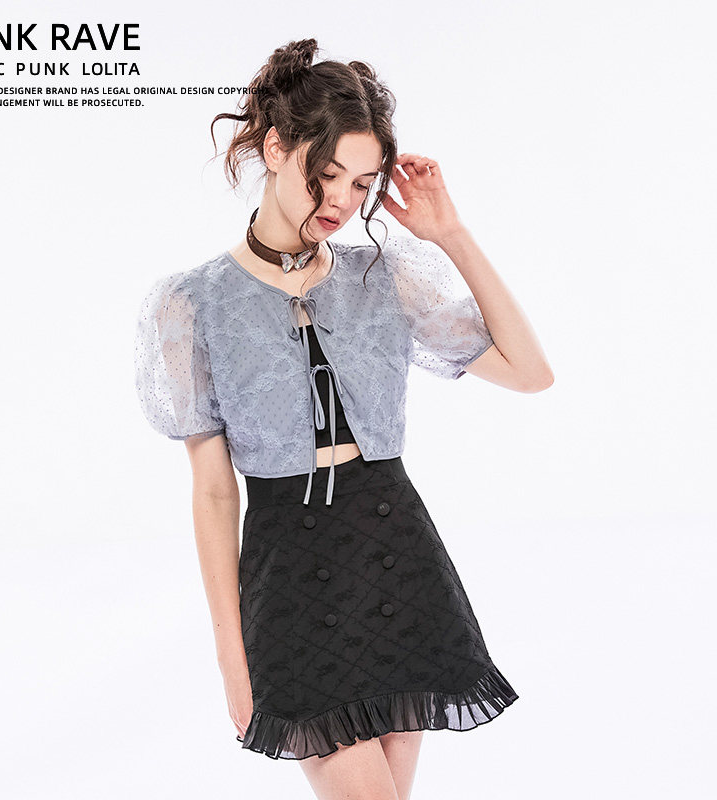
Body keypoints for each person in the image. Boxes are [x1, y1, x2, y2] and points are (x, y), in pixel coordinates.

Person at [135, 38, 553, 800]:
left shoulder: (383, 277)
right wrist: (231, 657)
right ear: (276, 148)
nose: (340, 201)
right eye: (325, 174)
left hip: (397, 554)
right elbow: (215, 492)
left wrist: (451, 236)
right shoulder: (192, 304)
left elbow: (531, 373)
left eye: (361, 184)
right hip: (289, 571)